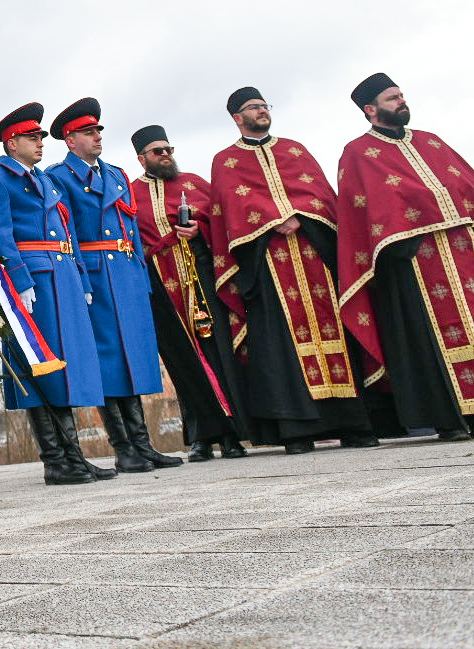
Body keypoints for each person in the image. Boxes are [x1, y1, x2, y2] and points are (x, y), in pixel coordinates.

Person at [336, 74, 474, 440]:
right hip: (412, 259)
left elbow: (468, 185)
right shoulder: (358, 153)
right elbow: (364, 210)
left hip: (465, 252)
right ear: (370, 109)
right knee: (429, 338)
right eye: (392, 98)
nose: (401, 101)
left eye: (401, 95)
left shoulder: (431, 142)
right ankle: (450, 420)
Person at [208, 87, 379, 454]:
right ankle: (298, 430)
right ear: (238, 118)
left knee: (337, 331)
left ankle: (352, 423)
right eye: (253, 108)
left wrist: (301, 216)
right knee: (280, 343)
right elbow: (231, 209)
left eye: (264, 106)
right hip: (266, 263)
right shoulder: (226, 161)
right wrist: (272, 220)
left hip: (315, 254)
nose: (261, 111)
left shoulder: (294, 150)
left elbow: (322, 195)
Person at [0, 102, 113, 485]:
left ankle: (73, 457)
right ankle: (56, 460)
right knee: (40, 366)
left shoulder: (46, 180)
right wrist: (19, 281)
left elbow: (68, 233)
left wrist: (82, 281)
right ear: (11, 143)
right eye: (32, 137)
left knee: (62, 366)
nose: (40, 143)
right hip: (35, 281)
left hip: (62, 276)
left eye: (40, 137)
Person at [46, 100, 181, 473]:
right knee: (107, 361)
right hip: (96, 274)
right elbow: (66, 232)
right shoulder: (59, 177)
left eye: (98, 131)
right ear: (70, 140)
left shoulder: (116, 174)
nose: (97, 137)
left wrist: (140, 273)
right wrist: (80, 279)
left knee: (132, 359)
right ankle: (123, 448)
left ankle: (143, 445)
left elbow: (131, 229)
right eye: (88, 132)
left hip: (125, 274)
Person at [130, 124, 248, 461]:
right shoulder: (131, 193)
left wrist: (200, 228)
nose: (166, 156)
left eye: (169, 150)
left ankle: (232, 435)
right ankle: (201, 437)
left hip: (202, 278)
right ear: (142, 158)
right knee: (182, 362)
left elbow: (222, 220)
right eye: (158, 152)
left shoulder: (194, 183)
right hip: (160, 286)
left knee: (217, 354)